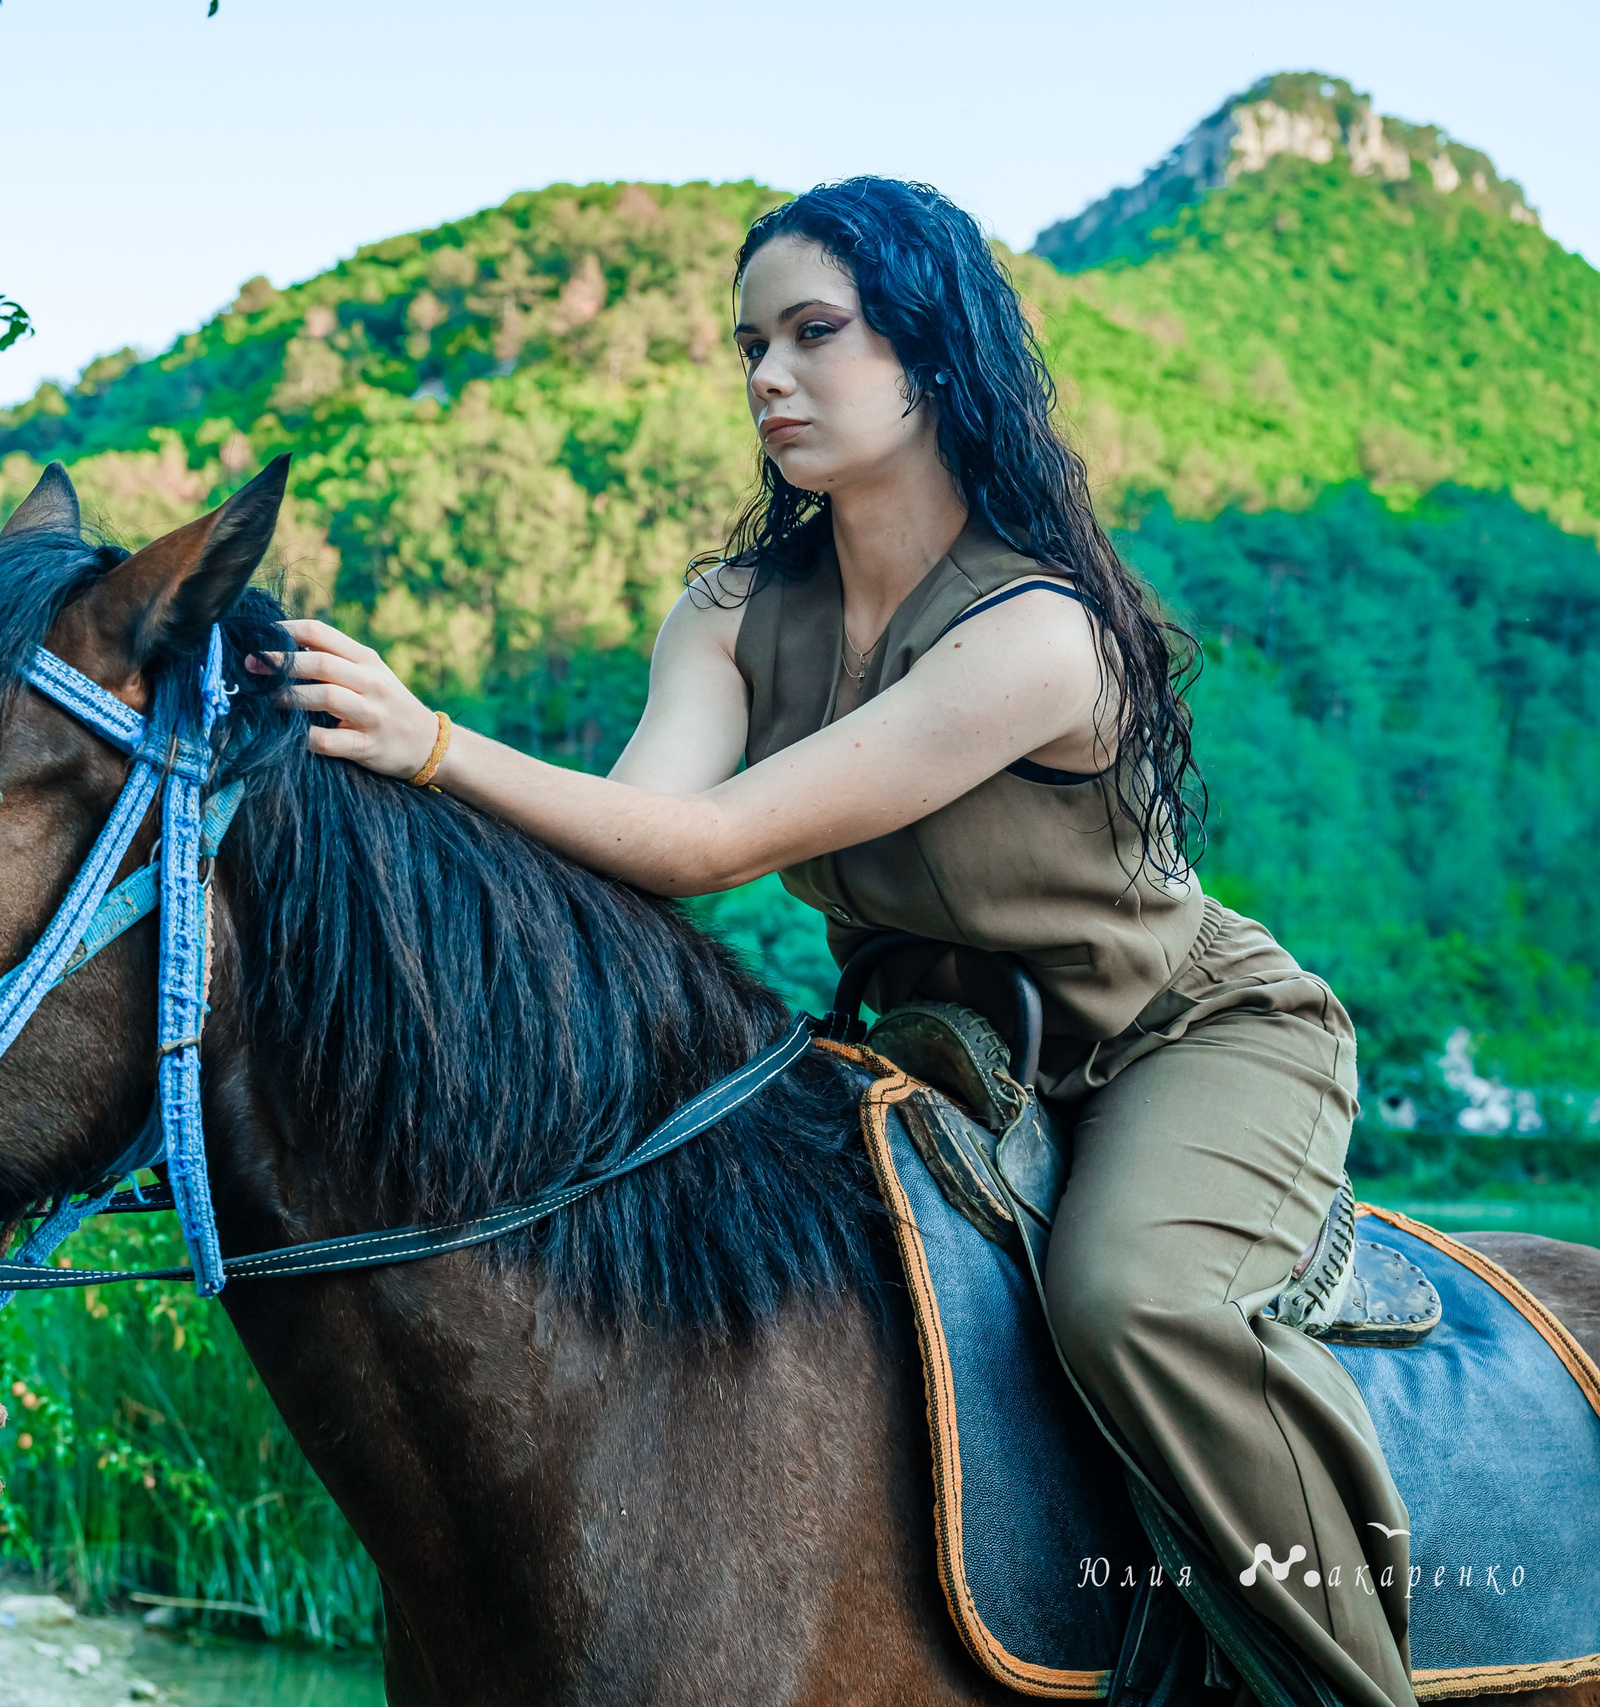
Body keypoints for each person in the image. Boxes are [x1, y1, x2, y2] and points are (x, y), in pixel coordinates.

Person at [266, 177, 1417, 1707]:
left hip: (1181, 1042)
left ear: (929, 355)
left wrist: (431, 745)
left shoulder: (1035, 632)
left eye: (816, 334)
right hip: (931, 1051)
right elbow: (635, 843)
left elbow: (718, 841)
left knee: (1133, 1302)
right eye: (750, 344)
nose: (767, 378)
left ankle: (1349, 1685)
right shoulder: (736, 608)